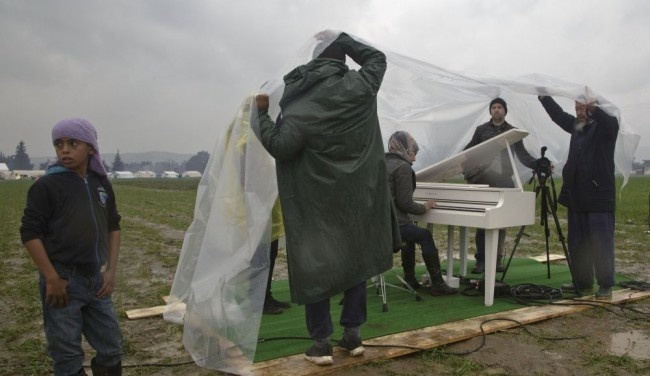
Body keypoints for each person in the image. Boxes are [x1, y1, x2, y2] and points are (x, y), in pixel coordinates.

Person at [255, 31, 399, 366]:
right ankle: (353, 336)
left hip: (317, 203)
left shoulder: (301, 103)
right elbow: (377, 59)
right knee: (357, 261)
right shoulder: (361, 87)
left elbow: (279, 146)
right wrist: (344, 37)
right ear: (343, 59)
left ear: (313, 60)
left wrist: (261, 115)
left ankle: (321, 344)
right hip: (358, 199)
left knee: (318, 264)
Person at [20, 118, 123, 375]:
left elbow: (113, 226)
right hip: (63, 281)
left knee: (111, 347)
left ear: (90, 148)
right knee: (67, 354)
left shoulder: (101, 183)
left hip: (95, 280)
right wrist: (51, 277)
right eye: (59, 144)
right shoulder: (47, 186)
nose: (64, 149)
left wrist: (110, 271)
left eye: (72, 143)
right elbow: (30, 233)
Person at [538, 95, 619, 300]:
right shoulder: (576, 127)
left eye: (583, 109)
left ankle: (605, 284)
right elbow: (558, 116)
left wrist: (594, 109)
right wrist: (544, 97)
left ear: (592, 108)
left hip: (599, 197)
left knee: (600, 243)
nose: (579, 113)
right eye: (577, 108)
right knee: (578, 243)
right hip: (577, 196)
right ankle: (582, 282)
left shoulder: (605, 128)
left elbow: (610, 124)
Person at [463, 98, 538, 274]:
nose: (496, 110)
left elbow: (522, 155)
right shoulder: (481, 130)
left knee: (501, 222)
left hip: (504, 180)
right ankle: (481, 261)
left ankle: (496, 260)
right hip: (483, 180)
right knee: (483, 221)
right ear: (490, 111)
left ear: (505, 111)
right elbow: (468, 152)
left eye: (500, 107)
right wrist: (464, 166)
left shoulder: (513, 132)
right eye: (494, 108)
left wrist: (538, 164)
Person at [385, 131, 459, 296]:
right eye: (413, 153)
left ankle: (410, 278)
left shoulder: (381, 162)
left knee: (411, 234)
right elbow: (405, 203)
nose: (414, 159)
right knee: (425, 235)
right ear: (405, 150)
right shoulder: (402, 167)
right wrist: (424, 207)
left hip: (377, 224)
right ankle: (438, 283)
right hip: (393, 225)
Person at [263, 199, 291, 314]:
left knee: (271, 252)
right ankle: (260, 300)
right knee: (262, 257)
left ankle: (266, 296)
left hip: (268, 206)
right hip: (256, 209)